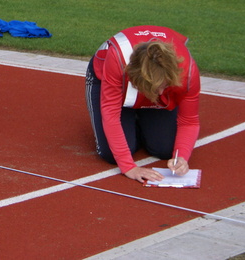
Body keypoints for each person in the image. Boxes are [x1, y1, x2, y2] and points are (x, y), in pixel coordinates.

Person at [85, 25, 200, 183]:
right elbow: (110, 114)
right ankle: (131, 119)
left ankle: (139, 121)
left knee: (165, 149)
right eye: (155, 88)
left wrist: (181, 156)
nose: (160, 94)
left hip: (143, 82)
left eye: (165, 86)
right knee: (111, 154)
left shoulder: (188, 72)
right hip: (109, 76)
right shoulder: (117, 60)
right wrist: (129, 167)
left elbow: (189, 121)